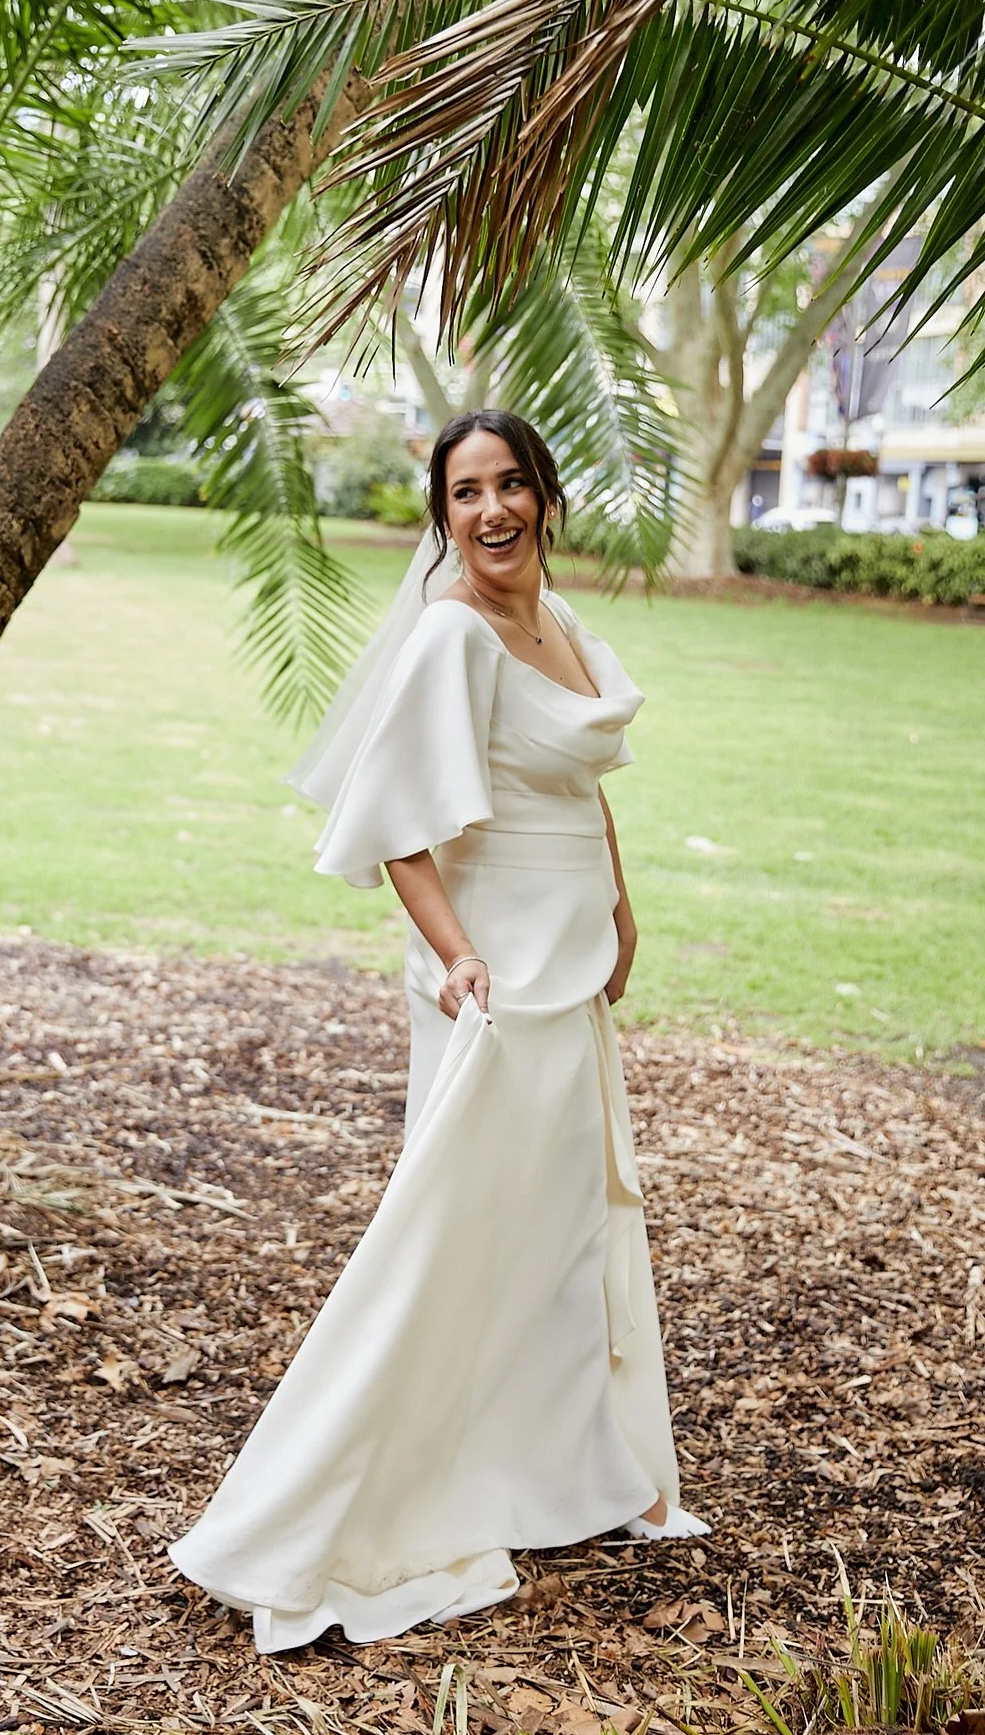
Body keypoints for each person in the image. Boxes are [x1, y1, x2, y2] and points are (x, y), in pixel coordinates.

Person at [170, 410, 706, 1654]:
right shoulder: (450, 637)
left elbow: (581, 790)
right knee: (450, 1238)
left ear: (548, 497)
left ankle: (574, 1473)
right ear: (442, 515)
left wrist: (622, 910)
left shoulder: (557, 624)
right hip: (495, 988)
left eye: (513, 483)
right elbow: (399, 831)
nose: (494, 510)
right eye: (468, 493)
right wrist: (461, 958)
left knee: (568, 1225)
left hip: (568, 972)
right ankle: (311, 1510)